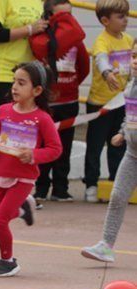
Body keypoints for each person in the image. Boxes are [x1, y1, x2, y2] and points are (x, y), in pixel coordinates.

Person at [0, 62, 62, 276]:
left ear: (36, 91)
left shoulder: (42, 118)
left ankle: (7, 261)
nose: (15, 87)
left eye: (21, 83)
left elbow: (55, 149)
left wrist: (34, 155)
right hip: (0, 173)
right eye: (14, 81)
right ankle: (22, 208)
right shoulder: (3, 110)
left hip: (23, 178)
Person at [0, 0, 46, 209]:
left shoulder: (38, 3)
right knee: (4, 131)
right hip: (3, 73)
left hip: (27, 73)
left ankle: (15, 191)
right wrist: (30, 29)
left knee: (23, 133)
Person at [82, 42, 137, 263]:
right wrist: (123, 133)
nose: (135, 61)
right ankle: (106, 245)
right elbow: (130, 113)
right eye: (134, 55)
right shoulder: (131, 84)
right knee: (117, 196)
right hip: (133, 154)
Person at [31, 0, 89, 202]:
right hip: (47, 103)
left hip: (69, 101)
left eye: (70, 16)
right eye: (61, 16)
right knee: (44, 145)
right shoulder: (39, 40)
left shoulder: (76, 41)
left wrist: (69, 87)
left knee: (65, 147)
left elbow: (84, 66)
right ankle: (41, 187)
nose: (67, 21)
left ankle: (60, 188)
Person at [84, 0, 133, 203]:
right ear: (105, 20)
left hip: (122, 103)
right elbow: (100, 58)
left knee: (119, 145)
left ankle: (116, 183)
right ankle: (91, 185)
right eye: (120, 17)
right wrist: (106, 73)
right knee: (95, 146)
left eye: (126, 15)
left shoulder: (129, 40)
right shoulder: (102, 41)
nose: (125, 20)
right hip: (100, 104)